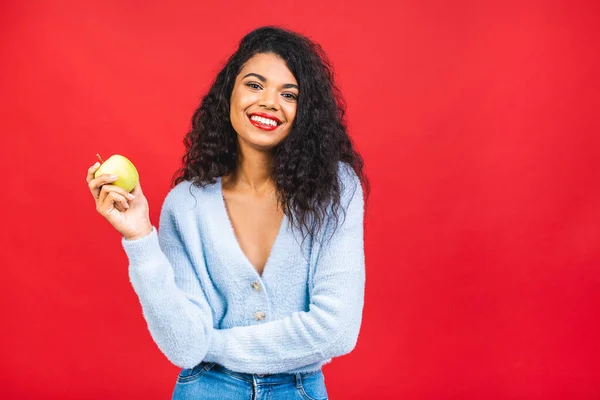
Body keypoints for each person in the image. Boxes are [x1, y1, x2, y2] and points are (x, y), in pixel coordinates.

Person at [86, 26, 369, 400]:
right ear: (228, 94)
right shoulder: (185, 205)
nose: (269, 102)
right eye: (255, 85)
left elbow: (337, 330)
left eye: (288, 94)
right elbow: (185, 346)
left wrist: (214, 346)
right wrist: (139, 237)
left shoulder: (335, 189)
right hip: (205, 390)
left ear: (304, 112)